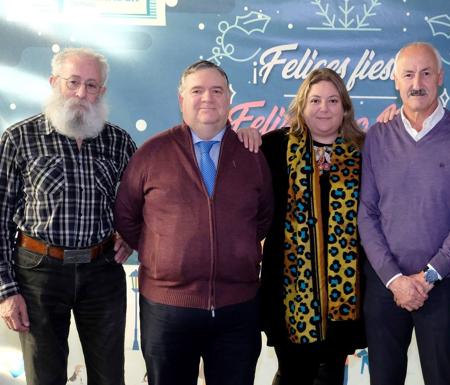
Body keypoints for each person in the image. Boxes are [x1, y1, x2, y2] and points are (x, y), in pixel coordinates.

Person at [114, 60, 273, 385]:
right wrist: (163, 251)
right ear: (181, 99)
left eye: (217, 91)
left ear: (229, 98)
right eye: (197, 90)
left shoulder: (251, 153)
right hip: (167, 308)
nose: (207, 98)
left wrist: (235, 250)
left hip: (237, 309)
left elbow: (263, 218)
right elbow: (127, 215)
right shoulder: (153, 153)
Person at [0, 47, 136, 385]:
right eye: (72, 82)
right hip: (37, 273)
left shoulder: (119, 142)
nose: (81, 93)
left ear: (102, 91)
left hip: (102, 272)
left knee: (109, 377)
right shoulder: (19, 138)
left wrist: (131, 234)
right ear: (53, 82)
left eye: (92, 85)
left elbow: (143, 203)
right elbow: (0, 217)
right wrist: (6, 290)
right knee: (44, 378)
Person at [358, 41, 450, 385]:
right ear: (396, 81)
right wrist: (395, 279)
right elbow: (367, 214)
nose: (418, 82)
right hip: (385, 285)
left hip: (442, 286)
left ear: (440, 78)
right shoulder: (377, 136)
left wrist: (427, 276)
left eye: (426, 73)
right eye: (409, 74)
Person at [259, 67, 366, 385]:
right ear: (301, 107)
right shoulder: (273, 148)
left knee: (332, 374)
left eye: (333, 100)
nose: (324, 108)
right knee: (292, 374)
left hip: (342, 298)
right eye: (315, 100)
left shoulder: (363, 152)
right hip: (289, 294)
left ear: (344, 107)